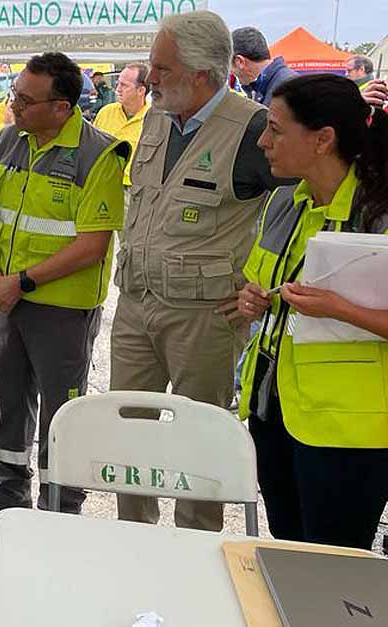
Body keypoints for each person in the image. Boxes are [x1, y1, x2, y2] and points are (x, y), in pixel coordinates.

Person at [112, 10, 295, 531]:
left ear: (202, 74)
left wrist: (263, 285)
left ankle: (196, 550)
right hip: (134, 304)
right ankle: (134, 542)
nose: (149, 80)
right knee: (130, 438)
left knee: (199, 442)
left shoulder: (254, 128)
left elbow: (302, 206)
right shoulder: (156, 117)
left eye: (161, 69)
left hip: (205, 317)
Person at [232, 74, 388, 550]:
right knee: (289, 544)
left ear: (323, 140)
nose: (263, 142)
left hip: (348, 431)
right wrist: (250, 300)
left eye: (276, 130)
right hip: (273, 409)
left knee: (334, 563)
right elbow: (256, 284)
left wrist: (341, 309)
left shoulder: (378, 215)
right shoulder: (284, 202)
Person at [0, 53, 128, 520]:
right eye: (14, 94)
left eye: (24, 98)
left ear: (61, 107)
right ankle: (8, 490)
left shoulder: (98, 153)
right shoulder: (8, 140)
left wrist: (22, 282)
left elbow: (92, 245)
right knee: (9, 395)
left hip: (62, 307)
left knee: (63, 410)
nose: (13, 105)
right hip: (10, 297)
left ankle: (60, 503)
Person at [91, 62, 152, 186]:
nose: (117, 89)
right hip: (102, 186)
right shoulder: (105, 113)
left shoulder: (155, 119)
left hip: (135, 190)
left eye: (124, 85)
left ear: (141, 90)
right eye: (118, 83)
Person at [231, 26, 297, 106]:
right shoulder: (269, 85)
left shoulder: (287, 87)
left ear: (240, 62)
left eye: (229, 66)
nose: (231, 73)